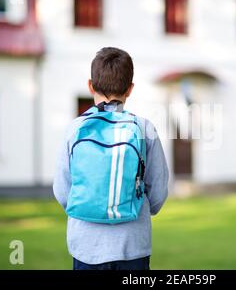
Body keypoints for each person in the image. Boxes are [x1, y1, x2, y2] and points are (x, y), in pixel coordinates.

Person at [53, 47, 169, 270]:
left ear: (90, 85)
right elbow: (158, 192)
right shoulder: (145, 128)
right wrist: (141, 208)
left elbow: (62, 189)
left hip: (86, 245)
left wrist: (87, 206)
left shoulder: (75, 128)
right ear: (130, 89)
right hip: (133, 243)